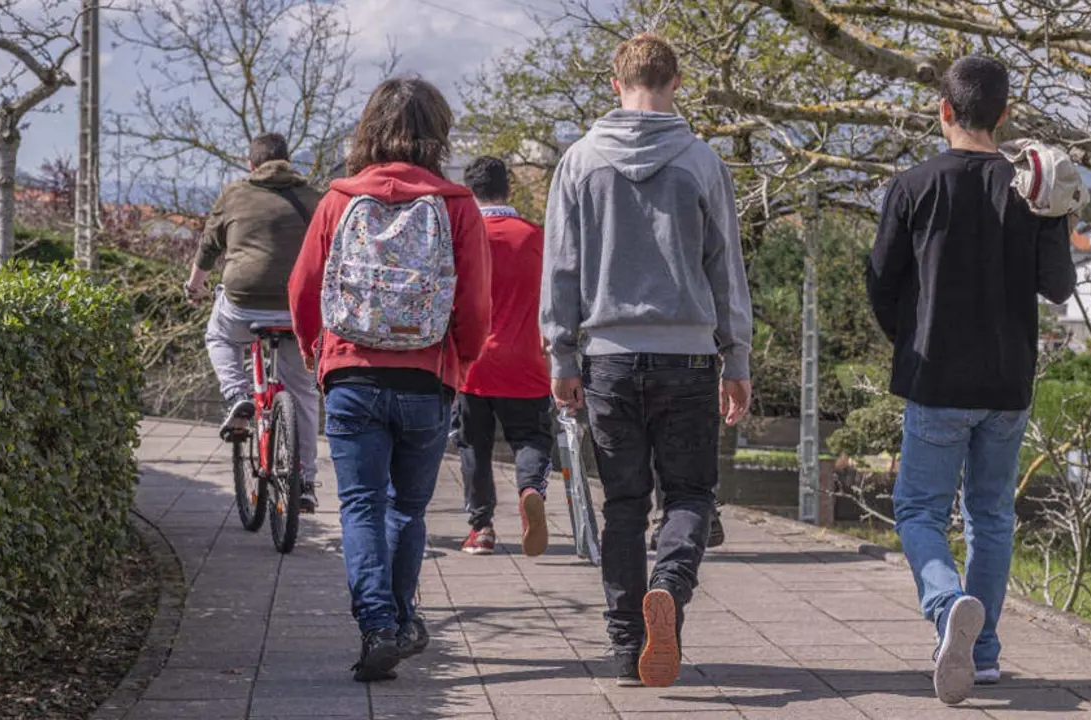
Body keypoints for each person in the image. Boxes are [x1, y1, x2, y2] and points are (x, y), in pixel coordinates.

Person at [541, 33, 753, 689]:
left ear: (615, 84)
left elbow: (561, 269)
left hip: (606, 357)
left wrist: (561, 354)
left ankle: (626, 644)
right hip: (687, 356)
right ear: (676, 83)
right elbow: (725, 269)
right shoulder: (702, 163)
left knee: (625, 505)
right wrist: (736, 358)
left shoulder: (578, 163)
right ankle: (670, 585)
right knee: (690, 492)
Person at [866, 56, 1077, 705]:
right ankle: (981, 653)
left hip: (935, 375)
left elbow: (881, 280)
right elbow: (1059, 287)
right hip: (1007, 380)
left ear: (944, 111)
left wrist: (909, 336)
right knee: (991, 517)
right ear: (1005, 115)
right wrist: (1058, 223)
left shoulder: (912, 185)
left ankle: (947, 602)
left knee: (919, 509)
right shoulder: (1031, 189)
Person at [287, 77, 491, 682]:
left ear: (369, 129)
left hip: (350, 374)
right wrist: (460, 359)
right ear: (439, 133)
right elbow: (477, 306)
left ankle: (379, 624)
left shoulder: (338, 200)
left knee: (359, 505)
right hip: (426, 377)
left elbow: (302, 288)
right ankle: (400, 619)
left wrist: (313, 349)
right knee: (408, 507)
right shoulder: (456, 205)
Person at [185, 132, 323, 512]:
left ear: (251, 164)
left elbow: (210, 245)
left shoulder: (234, 194)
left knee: (219, 337)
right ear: (288, 161)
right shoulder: (316, 197)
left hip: (244, 303)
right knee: (304, 392)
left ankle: (237, 395)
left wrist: (194, 287)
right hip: (298, 309)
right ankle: (306, 481)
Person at [452, 155, 554, 557]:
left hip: (472, 362)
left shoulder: (463, 239)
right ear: (508, 189)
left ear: (469, 193)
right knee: (531, 437)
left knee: (473, 444)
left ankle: (481, 528)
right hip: (526, 360)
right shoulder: (535, 237)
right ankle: (531, 488)